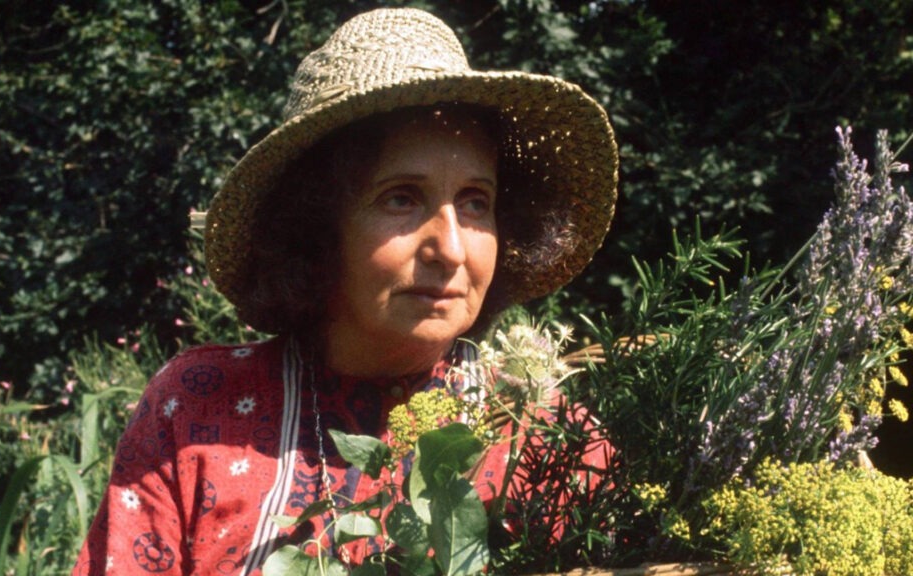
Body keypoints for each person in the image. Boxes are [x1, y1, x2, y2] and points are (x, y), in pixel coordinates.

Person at [72, 7, 617, 575]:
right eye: (401, 198)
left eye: (476, 202)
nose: (451, 249)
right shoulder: (196, 409)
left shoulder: (549, 433)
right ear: (316, 226)